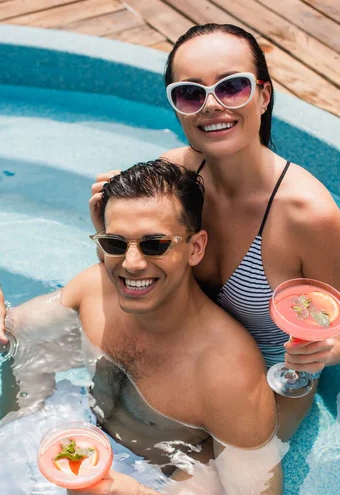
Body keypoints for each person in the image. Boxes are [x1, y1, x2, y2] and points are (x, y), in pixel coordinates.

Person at [0, 160, 284, 495]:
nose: (133, 264)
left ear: (195, 247)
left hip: (142, 487)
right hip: (58, 433)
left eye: (156, 244)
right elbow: (12, 344)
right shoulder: (94, 289)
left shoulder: (227, 372)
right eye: (116, 243)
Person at [88, 24, 340, 441]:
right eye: (190, 93)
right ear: (176, 108)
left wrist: (325, 350)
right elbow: (143, 275)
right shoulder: (176, 174)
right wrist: (110, 234)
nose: (212, 105)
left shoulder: (305, 214)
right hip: (184, 355)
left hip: (265, 387)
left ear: (263, 95)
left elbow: (336, 316)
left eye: (232, 87)